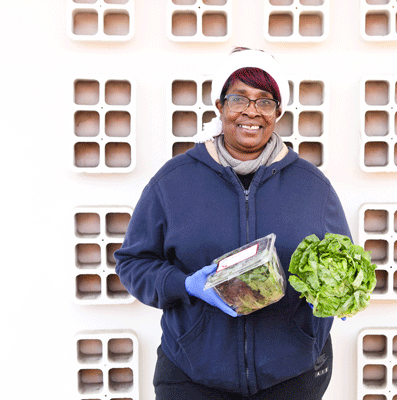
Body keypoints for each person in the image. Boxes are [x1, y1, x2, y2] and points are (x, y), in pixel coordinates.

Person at [114, 47, 351, 400]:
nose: (251, 111)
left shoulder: (312, 186)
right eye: (239, 98)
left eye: (265, 101)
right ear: (220, 106)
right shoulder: (174, 181)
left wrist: (337, 293)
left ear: (278, 112)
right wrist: (184, 285)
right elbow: (133, 263)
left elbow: (342, 258)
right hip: (192, 375)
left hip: (291, 375)